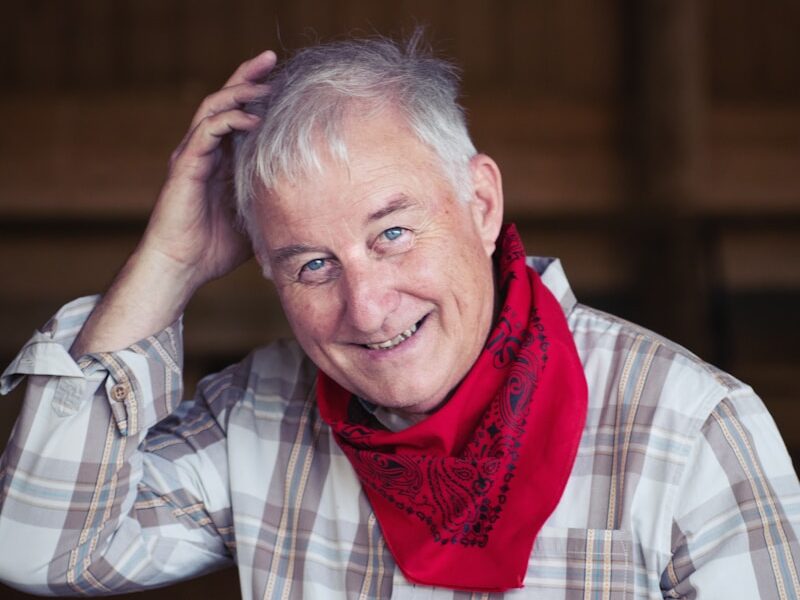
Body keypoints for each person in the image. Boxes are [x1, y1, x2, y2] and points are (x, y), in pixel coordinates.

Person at [0, 33, 798, 599]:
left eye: (392, 233)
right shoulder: (259, 414)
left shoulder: (694, 430)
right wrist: (166, 266)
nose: (368, 307)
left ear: (480, 203)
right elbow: (41, 548)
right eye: (312, 264)